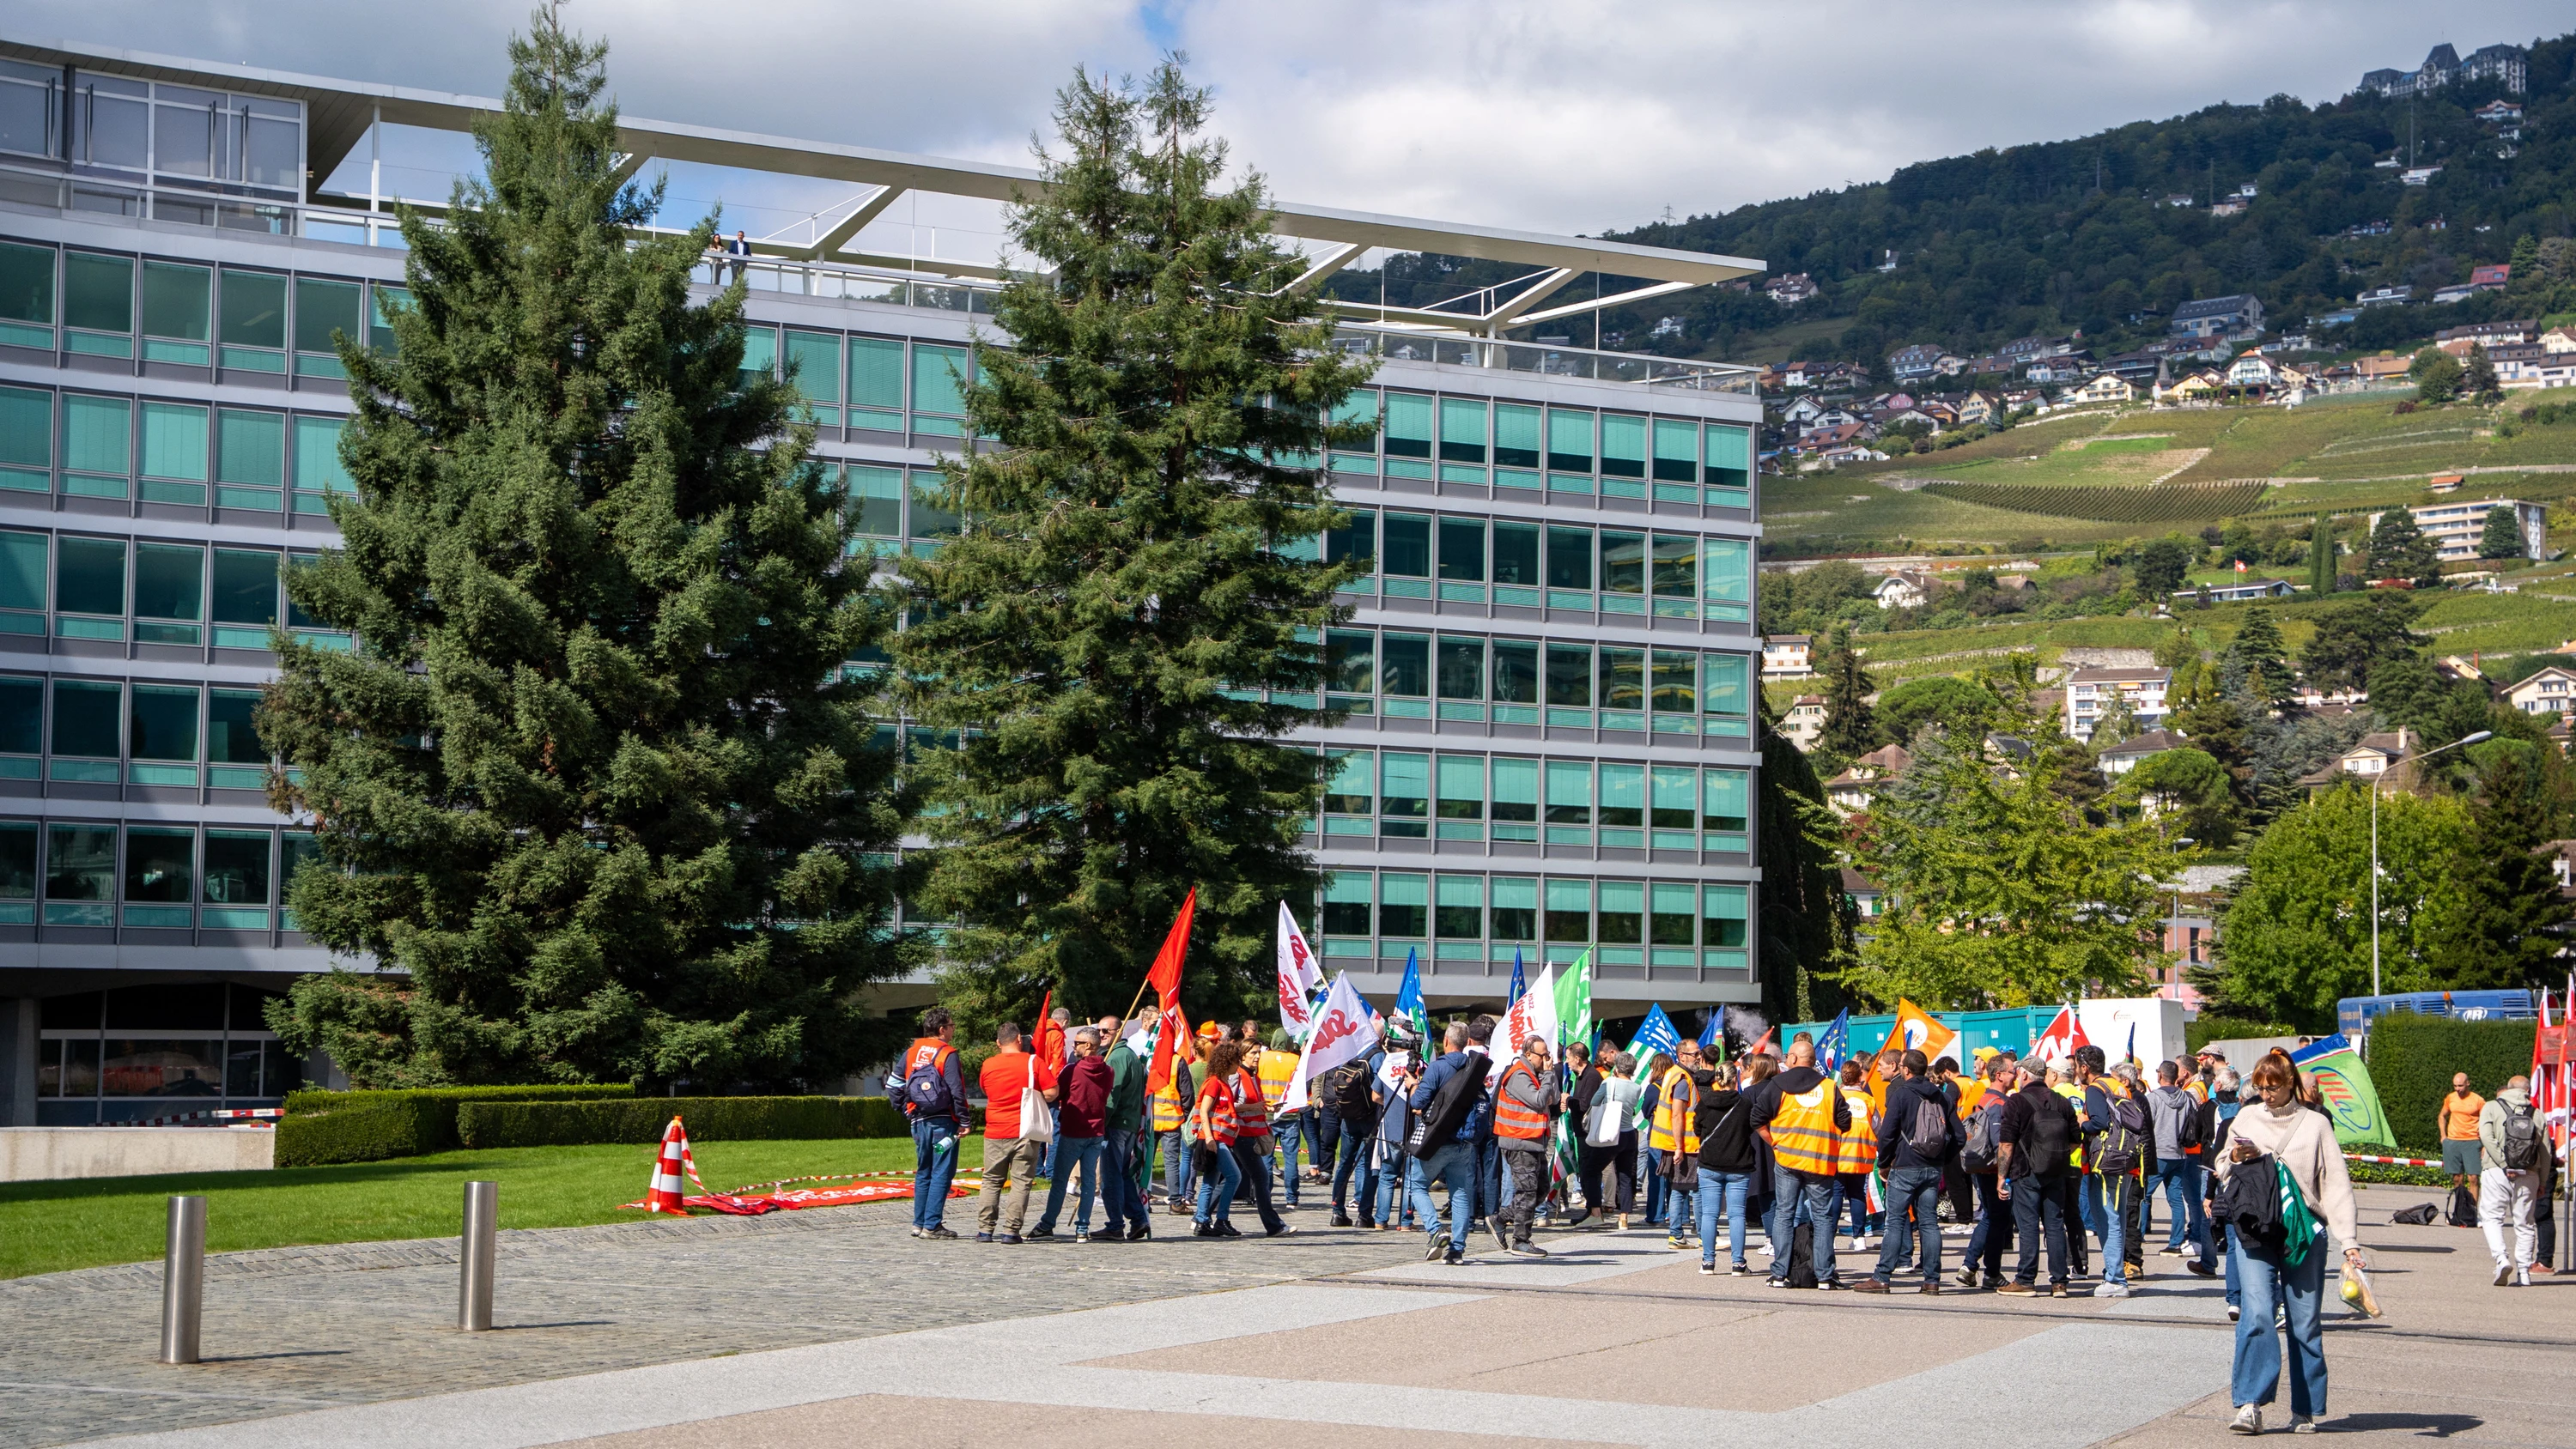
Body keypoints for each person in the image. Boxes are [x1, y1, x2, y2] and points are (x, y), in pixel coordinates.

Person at [2215, 1051, 2363, 1434]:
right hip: (2255, 1228)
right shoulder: (2247, 1117)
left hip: (2305, 1231)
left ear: (2290, 1083)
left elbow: (2335, 1184)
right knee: (2257, 1312)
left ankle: (2306, 1409)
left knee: (2305, 1323)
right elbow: (2222, 1166)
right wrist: (2236, 1155)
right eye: (2260, 1087)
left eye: (2273, 1087)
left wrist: (2349, 1240)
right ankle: (2250, 1404)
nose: (2266, 1094)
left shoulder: (2316, 1124)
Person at [1855, 1048, 1957, 1293]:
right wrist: (1941, 1158)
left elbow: (1887, 1134)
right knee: (1929, 1223)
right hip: (1932, 1166)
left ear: (1907, 1070)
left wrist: (1884, 1164)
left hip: (1905, 1165)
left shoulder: (1901, 1095)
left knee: (1895, 1222)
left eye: (1901, 1065)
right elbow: (1959, 1136)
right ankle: (1932, 1280)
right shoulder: (1942, 1096)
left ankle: (1882, 1277)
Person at [1753, 1035, 1851, 1288]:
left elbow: (1757, 1118)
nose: (1786, 1059)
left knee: (1784, 1214)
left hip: (1787, 1159)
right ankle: (1825, 1276)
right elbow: (1845, 1121)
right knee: (1823, 1218)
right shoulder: (1829, 1087)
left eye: (1788, 1056)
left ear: (1795, 1058)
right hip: (1820, 1161)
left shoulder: (1778, 1084)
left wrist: (1773, 1142)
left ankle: (1779, 1273)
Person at [1408, 1020, 1492, 1264]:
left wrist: (1413, 1086)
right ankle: (1457, 1250)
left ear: (1446, 1041)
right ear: (1467, 1042)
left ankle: (1435, 1231)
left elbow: (1417, 1102)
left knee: (1417, 1185)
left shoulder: (1438, 1067)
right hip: (1464, 1140)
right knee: (1460, 1193)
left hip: (1437, 1140)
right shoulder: (1473, 1068)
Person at [1996, 1060, 2080, 1295]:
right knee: (2055, 1226)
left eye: (2018, 1073)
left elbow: (2006, 1144)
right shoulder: (2061, 1101)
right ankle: (2059, 1282)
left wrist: (2001, 1177)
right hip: (2057, 1172)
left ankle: (2025, 1280)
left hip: (2025, 1172)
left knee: (2028, 1226)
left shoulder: (2016, 1101)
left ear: (2024, 1074)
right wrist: (2054, 1157)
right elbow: (2076, 1139)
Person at [973, 1022, 1058, 1243]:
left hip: (995, 1129)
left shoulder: (988, 1064)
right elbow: (1051, 1092)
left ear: (998, 1043)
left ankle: (985, 1230)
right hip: (1025, 1130)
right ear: (1019, 1039)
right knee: (1021, 1182)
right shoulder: (1033, 1062)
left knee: (991, 1180)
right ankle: (1011, 1231)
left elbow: (985, 1089)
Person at [1030, 1027, 1113, 1242]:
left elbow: (1058, 1094)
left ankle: (1047, 1224)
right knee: (1088, 1182)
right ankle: (1082, 1228)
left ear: (1089, 1045)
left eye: (1077, 1043)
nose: (1073, 1046)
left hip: (1074, 1131)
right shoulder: (1108, 1071)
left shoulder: (1072, 1070)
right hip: (1096, 1131)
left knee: (1060, 1181)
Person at [897, 1006, 969, 1240]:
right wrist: (965, 1120)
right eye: (951, 1026)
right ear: (941, 1029)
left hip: (918, 1122)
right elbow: (956, 1091)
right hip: (944, 1123)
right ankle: (932, 1225)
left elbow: (893, 1085)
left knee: (924, 1171)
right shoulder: (947, 1053)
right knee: (942, 1171)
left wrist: (905, 1109)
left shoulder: (911, 1052)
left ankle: (918, 1224)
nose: (953, 1030)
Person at [2146, 1058, 2218, 1276]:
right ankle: (2176, 1242)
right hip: (2180, 1153)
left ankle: (2135, 1238)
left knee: (2142, 1195)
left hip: (2158, 1153)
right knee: (2176, 1199)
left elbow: (2146, 1125)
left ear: (2160, 1075)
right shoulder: (2186, 1097)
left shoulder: (2153, 1098)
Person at [1492, 1034, 1561, 1257]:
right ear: (1529, 1054)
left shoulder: (1537, 1075)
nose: (1546, 1059)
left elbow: (1554, 1099)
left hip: (1533, 1141)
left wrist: (1550, 1074)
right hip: (1519, 1141)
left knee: (1540, 1189)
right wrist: (1547, 1078)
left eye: (1548, 1055)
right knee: (1527, 1192)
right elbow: (1540, 1101)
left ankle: (1500, 1218)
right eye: (1543, 1055)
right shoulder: (1520, 1075)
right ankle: (1521, 1240)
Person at [1692, 1057, 1760, 1275]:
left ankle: (1708, 1262)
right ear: (1735, 1079)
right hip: (1738, 1164)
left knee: (1709, 1214)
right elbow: (1751, 1129)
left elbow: (1697, 1128)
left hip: (1710, 1164)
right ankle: (1738, 1263)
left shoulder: (1705, 1102)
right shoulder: (1744, 1104)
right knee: (1737, 1215)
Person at [1956, 1052, 2017, 1288]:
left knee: (1992, 1217)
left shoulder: (1984, 1098)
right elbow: (2000, 1142)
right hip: (1994, 1170)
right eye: (2012, 1071)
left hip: (1982, 1166)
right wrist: (2003, 1174)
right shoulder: (1998, 1104)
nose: (2015, 1075)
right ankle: (1987, 1271)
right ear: (1999, 1075)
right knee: (1997, 1219)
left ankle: (1971, 1267)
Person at [2478, 1074, 2543, 1286]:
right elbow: (2545, 1151)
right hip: (2529, 1173)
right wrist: (2542, 1180)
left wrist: (2504, 1163)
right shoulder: (2537, 1114)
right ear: (2528, 1091)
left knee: (2492, 1217)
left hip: (2496, 1170)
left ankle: (2501, 1258)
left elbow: (2486, 1137)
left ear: (2507, 1088)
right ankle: (2524, 1272)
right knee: (2525, 1223)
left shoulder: (2491, 1107)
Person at [1231, 1042, 1292, 1236]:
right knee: (1261, 1177)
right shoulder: (1237, 1075)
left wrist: (1267, 1107)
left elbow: (1253, 1103)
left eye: (1259, 1053)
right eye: (1253, 1053)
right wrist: (1254, 1107)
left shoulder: (1253, 1076)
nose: (1258, 1056)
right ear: (1243, 1055)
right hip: (1241, 1134)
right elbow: (1229, 1104)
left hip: (1253, 1134)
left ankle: (1202, 1218)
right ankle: (1274, 1225)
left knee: (1230, 1178)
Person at [1579, 1050, 1643, 1230]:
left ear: (1617, 1067)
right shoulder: (1637, 1087)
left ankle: (1595, 1212)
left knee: (1591, 1170)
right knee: (1625, 1175)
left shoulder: (1609, 1082)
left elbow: (1594, 1102)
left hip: (1611, 1133)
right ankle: (1624, 1217)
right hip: (1629, 1133)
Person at [1099, 1016, 1149, 1242]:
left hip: (1117, 1124)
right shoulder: (1127, 1055)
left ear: (1118, 1032)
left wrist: (1102, 1123)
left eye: (1106, 1031)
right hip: (1128, 1124)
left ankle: (1115, 1225)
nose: (1101, 1035)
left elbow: (1112, 1094)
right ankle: (1138, 1219)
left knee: (1110, 1177)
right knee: (1122, 1174)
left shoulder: (1117, 1057)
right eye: (1099, 1031)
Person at [1190, 1040, 1247, 1236]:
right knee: (1234, 1176)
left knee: (1209, 1182)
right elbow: (1204, 1111)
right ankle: (1222, 1219)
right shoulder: (1214, 1083)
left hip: (1218, 1139)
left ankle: (1202, 1221)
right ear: (1227, 1062)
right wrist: (1209, 1138)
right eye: (1236, 1061)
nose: (1238, 1065)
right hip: (1213, 1140)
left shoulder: (1223, 1084)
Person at [1656, 1041, 1704, 1250]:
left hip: (1677, 1143)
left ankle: (1677, 1235)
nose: (1699, 1057)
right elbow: (1677, 1114)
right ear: (1682, 1056)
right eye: (1695, 1054)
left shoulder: (1673, 1074)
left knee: (1679, 1188)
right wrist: (1679, 1147)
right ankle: (1703, 1235)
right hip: (1686, 1144)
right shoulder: (1682, 1078)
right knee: (1695, 1189)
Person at [1832, 1058, 1878, 1251]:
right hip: (1861, 1153)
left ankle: (1830, 1237)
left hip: (1838, 1153)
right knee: (1857, 1194)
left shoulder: (1835, 1096)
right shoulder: (1868, 1100)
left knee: (1835, 1193)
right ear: (1860, 1077)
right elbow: (1877, 1126)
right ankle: (1859, 1238)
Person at [1257, 1031, 1303, 1209]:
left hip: (1267, 1114)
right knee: (1291, 1159)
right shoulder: (1296, 1060)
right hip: (1290, 1114)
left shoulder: (1262, 1058)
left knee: (1266, 1158)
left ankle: (1265, 1193)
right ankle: (1291, 1197)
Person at [1150, 1046, 1195, 1215]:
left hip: (1150, 1119)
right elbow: (1187, 1093)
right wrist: (1186, 1115)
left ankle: (1142, 1199)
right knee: (1171, 1162)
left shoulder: (1150, 1058)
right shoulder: (1178, 1061)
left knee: (1146, 1162)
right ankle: (1175, 1202)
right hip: (1171, 1119)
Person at [2441, 1072, 2488, 1208]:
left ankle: (2472, 1210)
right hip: (2453, 1141)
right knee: (2457, 1178)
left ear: (2468, 1083)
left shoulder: (2478, 1100)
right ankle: (2460, 1208)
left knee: (2473, 1178)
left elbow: (2486, 1122)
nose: (2457, 1089)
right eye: (2455, 1086)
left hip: (2472, 1141)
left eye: (2460, 1086)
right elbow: (2442, 1116)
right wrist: (2443, 1136)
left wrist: (2484, 1144)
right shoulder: (2451, 1098)